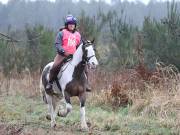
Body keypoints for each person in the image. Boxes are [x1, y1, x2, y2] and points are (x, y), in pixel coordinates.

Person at [46, 14, 91, 92]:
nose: (71, 25)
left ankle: (86, 84)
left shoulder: (78, 35)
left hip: (74, 56)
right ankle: (50, 83)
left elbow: (80, 45)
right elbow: (57, 44)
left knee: (85, 67)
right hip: (63, 55)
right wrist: (63, 51)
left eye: (73, 24)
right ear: (67, 25)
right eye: (70, 24)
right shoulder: (61, 33)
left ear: (75, 25)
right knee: (55, 66)